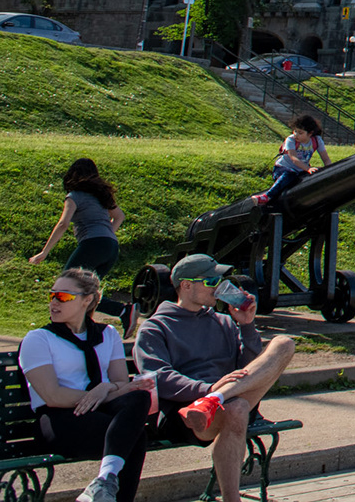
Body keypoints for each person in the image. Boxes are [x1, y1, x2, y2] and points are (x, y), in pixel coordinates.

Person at [134, 254, 299, 502]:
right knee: (238, 407)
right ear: (186, 285)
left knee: (283, 344)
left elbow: (248, 371)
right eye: (211, 281)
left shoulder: (225, 321)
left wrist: (246, 325)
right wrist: (207, 388)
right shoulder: (155, 327)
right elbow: (158, 377)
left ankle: (216, 398)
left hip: (226, 401)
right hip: (187, 412)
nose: (220, 287)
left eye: (221, 280)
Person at [21, 268, 154, 502]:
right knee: (134, 436)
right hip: (58, 419)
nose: (54, 302)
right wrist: (102, 392)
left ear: (88, 300)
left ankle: (104, 480)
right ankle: (105, 482)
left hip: (98, 412)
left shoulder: (107, 334)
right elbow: (52, 395)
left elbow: (121, 383)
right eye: (52, 295)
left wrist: (106, 388)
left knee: (139, 398)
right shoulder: (38, 339)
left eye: (63, 296)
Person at [30, 159, 126, 278]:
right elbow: (119, 216)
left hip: (92, 243)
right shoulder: (101, 195)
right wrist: (107, 234)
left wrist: (44, 252)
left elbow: (63, 224)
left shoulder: (74, 196)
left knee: (68, 283)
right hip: (112, 246)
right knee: (87, 291)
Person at [250, 115, 331, 207]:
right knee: (289, 175)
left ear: (310, 133)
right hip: (283, 168)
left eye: (300, 133)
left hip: (301, 169)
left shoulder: (317, 140)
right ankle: (267, 196)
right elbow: (294, 158)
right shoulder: (291, 140)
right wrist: (308, 168)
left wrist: (330, 170)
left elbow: (326, 159)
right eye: (295, 131)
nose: (296, 134)